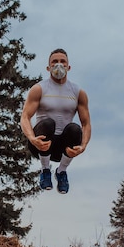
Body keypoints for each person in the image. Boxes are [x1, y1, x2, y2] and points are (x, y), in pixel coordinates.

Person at [20, 48, 91, 194]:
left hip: (63, 149)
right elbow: (25, 117)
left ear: (68, 67)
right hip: (40, 144)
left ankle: (61, 172)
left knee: (75, 128)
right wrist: (32, 138)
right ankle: (45, 170)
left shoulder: (78, 92)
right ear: (48, 67)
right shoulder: (39, 89)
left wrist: (83, 146)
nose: (59, 65)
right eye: (55, 62)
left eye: (62, 62)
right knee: (48, 123)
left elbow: (86, 123)